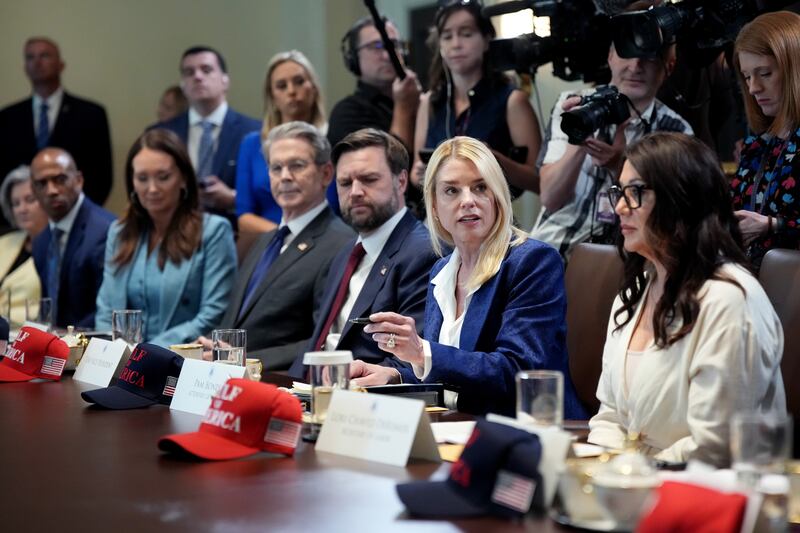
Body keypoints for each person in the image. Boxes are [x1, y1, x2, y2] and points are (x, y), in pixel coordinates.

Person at [348, 137, 583, 418]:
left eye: (480, 187)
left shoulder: (533, 261)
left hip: (526, 429)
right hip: (458, 425)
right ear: (434, 207)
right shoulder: (442, 271)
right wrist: (394, 376)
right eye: (452, 190)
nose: (468, 201)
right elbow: (452, 373)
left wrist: (421, 352)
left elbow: (518, 371)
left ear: (497, 196)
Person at [588, 132, 785, 466]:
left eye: (635, 192)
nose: (619, 207)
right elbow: (609, 417)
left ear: (681, 201)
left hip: (711, 485)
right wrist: (601, 475)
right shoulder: (635, 291)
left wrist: (629, 474)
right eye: (619, 192)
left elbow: (715, 445)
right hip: (635, 480)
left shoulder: (730, 299)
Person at [197, 122, 354, 370]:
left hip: (279, 381)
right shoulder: (264, 240)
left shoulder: (341, 244)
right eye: (276, 168)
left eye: (297, 165)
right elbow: (234, 324)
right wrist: (204, 349)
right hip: (227, 376)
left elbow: (324, 340)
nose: (285, 176)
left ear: (326, 173)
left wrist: (243, 360)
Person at [288, 128, 438, 378]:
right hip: (312, 387)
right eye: (345, 183)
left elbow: (413, 362)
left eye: (369, 179)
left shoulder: (423, 253)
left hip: (367, 393)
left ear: (401, 182)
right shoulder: (345, 254)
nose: (355, 191)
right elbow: (320, 341)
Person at [530, 34, 691, 261]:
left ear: (669, 66)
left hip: (628, 260)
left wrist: (619, 167)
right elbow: (550, 198)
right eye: (627, 53)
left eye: (649, 57)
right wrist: (578, 137)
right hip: (553, 251)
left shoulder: (676, 131)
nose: (635, 67)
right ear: (610, 57)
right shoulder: (571, 103)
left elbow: (664, 220)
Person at [95, 129, 236, 346]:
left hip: (181, 357)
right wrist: (112, 353)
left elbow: (214, 315)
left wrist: (149, 353)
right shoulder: (119, 232)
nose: (152, 189)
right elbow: (106, 311)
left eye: (163, 177)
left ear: (184, 179)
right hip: (123, 359)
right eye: (142, 178)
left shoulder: (214, 231)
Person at [413, 0, 541, 197]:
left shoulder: (512, 100)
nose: (456, 44)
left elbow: (539, 180)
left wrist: (494, 160)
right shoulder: (429, 102)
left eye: (466, 34)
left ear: (487, 39)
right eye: (447, 36)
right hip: (440, 211)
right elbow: (416, 174)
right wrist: (422, 173)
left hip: (492, 210)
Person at [0, 37, 112, 228]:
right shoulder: (7, 117)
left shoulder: (90, 114)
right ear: (25, 67)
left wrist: (76, 217)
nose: (37, 62)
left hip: (77, 221)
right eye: (30, 57)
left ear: (61, 65)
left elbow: (101, 176)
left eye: (44, 55)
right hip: (19, 226)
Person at [154, 46, 260, 217]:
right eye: (189, 72)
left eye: (206, 70)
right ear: (183, 85)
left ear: (225, 80)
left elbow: (267, 196)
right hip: (175, 226)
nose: (197, 77)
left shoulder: (253, 132)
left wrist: (233, 198)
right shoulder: (161, 133)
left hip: (235, 227)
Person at [731, 11, 800, 270]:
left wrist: (773, 225)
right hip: (751, 279)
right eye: (748, 76)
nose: (753, 88)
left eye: (765, 73)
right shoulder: (756, 145)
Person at [236, 50, 333, 235]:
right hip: (269, 241)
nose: (291, 91)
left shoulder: (333, 140)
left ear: (313, 88)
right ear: (272, 96)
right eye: (282, 85)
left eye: (299, 81)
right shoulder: (252, 144)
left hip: (325, 238)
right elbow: (244, 215)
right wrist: (285, 237)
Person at [31, 148, 115, 329]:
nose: (51, 190)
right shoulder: (40, 242)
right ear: (33, 191)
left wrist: (66, 338)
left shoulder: (107, 231)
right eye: (42, 183)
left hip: (95, 340)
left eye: (60, 179)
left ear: (78, 180)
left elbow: (109, 309)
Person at [327, 16, 421, 151]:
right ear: (354, 58)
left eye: (393, 45)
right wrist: (403, 108)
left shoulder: (421, 100)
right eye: (376, 46)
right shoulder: (346, 113)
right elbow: (387, 161)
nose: (387, 56)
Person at [0, 166, 48, 327]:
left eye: (30, 200)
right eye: (16, 203)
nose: (22, 209)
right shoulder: (5, 241)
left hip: (27, 331)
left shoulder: (57, 246)